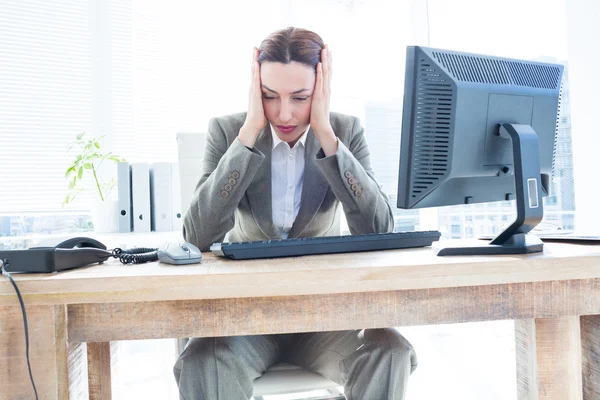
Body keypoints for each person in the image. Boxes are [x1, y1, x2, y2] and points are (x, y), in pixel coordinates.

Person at [174, 27, 417, 400]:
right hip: (245, 316)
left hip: (324, 315)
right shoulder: (228, 132)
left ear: (321, 90)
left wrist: (325, 134)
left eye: (300, 98)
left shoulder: (344, 132)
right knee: (202, 360)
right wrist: (249, 134)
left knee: (390, 351)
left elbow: (378, 229)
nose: (284, 113)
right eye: (270, 97)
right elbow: (197, 236)